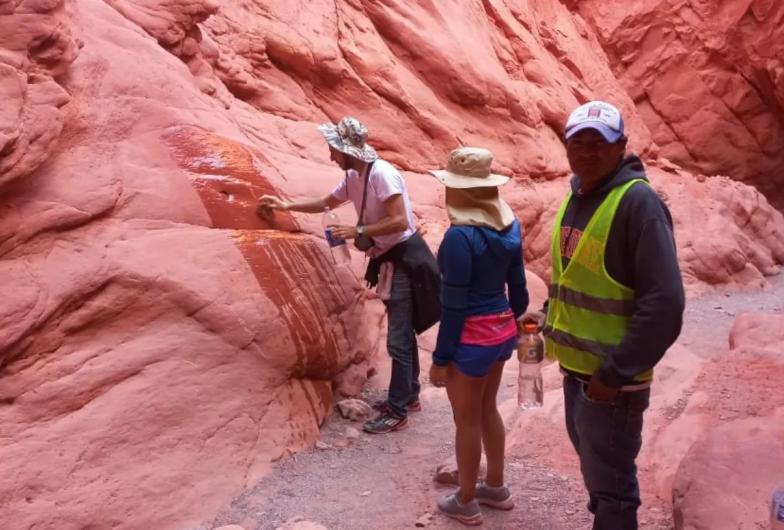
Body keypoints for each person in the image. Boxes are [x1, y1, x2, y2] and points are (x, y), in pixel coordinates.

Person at [525, 100, 685, 530]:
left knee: (613, 490)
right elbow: (578, 278)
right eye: (579, 143)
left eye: (601, 143)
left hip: (611, 385)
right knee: (600, 481)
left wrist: (613, 375)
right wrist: (547, 317)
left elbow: (665, 305)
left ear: (621, 147)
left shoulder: (638, 204)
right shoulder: (578, 196)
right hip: (579, 375)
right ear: (566, 146)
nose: (588, 152)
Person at [258, 116, 440, 435]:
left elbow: (399, 222)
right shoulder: (355, 175)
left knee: (398, 337)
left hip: (405, 259)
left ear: (346, 150)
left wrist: (359, 230)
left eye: (333, 150)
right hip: (388, 258)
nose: (331, 156)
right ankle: (408, 396)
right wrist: (285, 205)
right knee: (403, 328)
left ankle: (398, 411)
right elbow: (325, 202)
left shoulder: (382, 175)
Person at [427, 147, 529, 526]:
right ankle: (496, 487)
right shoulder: (510, 227)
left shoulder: (460, 237)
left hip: (470, 341)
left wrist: (441, 359)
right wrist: (515, 323)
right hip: (500, 331)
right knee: (488, 410)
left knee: (466, 420)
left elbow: (453, 307)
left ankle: (467, 500)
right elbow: (518, 288)